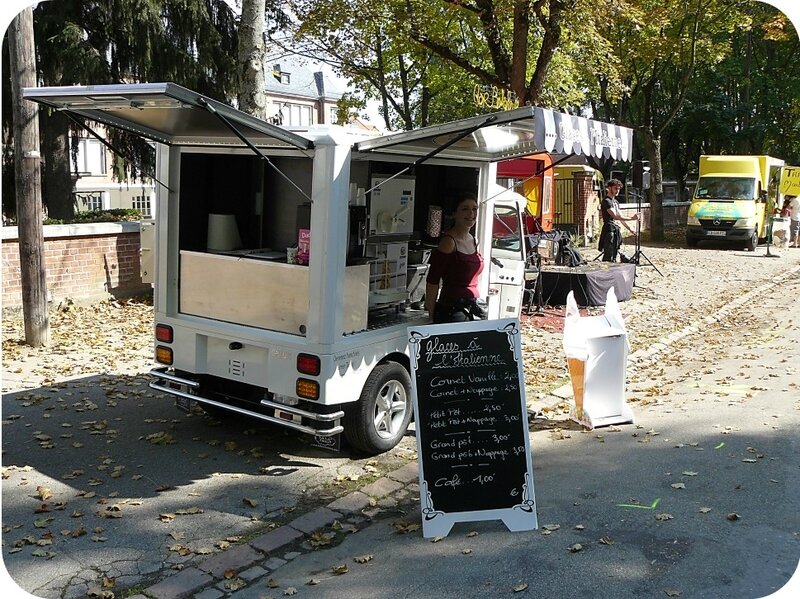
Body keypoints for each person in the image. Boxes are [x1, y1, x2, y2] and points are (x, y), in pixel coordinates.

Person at [425, 195, 485, 323]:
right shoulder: (448, 242)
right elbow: (432, 280)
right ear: (454, 214)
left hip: (472, 307)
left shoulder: (474, 240)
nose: (471, 213)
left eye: (474, 209)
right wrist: (430, 316)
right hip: (452, 310)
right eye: (465, 209)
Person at [598, 179, 638, 262]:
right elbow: (616, 216)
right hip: (609, 231)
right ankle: (605, 273)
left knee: (615, 254)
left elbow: (621, 218)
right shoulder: (607, 201)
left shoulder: (615, 202)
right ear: (609, 188)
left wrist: (630, 229)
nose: (617, 190)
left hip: (616, 230)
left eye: (619, 189)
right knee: (608, 255)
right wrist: (632, 218)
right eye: (615, 188)